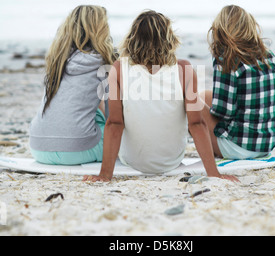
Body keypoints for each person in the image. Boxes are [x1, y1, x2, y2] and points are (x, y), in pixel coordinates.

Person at [83, 10, 239, 182]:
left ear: (132, 39)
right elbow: (196, 124)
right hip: (171, 161)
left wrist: (105, 175)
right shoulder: (184, 70)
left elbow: (114, 123)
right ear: (169, 39)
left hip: (132, 161)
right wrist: (213, 173)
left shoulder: (118, 69)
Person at [29, 5, 117, 165]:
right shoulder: (103, 63)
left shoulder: (57, 60)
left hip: (38, 148)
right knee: (111, 121)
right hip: (77, 150)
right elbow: (113, 118)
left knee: (88, 110)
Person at [201, 5, 275, 160]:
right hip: (265, 145)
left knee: (192, 104)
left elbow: (224, 112)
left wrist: (206, 117)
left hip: (239, 148)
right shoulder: (268, 56)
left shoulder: (227, 59)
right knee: (204, 96)